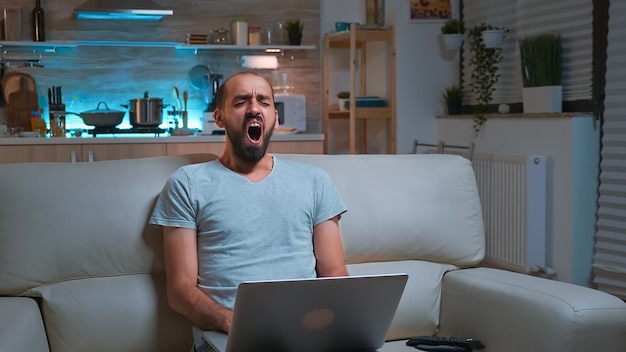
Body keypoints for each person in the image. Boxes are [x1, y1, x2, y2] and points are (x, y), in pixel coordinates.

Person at [149, 71, 348, 351]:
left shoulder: (315, 181)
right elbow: (181, 292)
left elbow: (335, 274)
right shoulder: (187, 183)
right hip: (228, 338)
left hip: (304, 336)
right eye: (242, 101)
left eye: (264, 102)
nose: (254, 108)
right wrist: (235, 322)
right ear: (219, 118)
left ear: (275, 119)